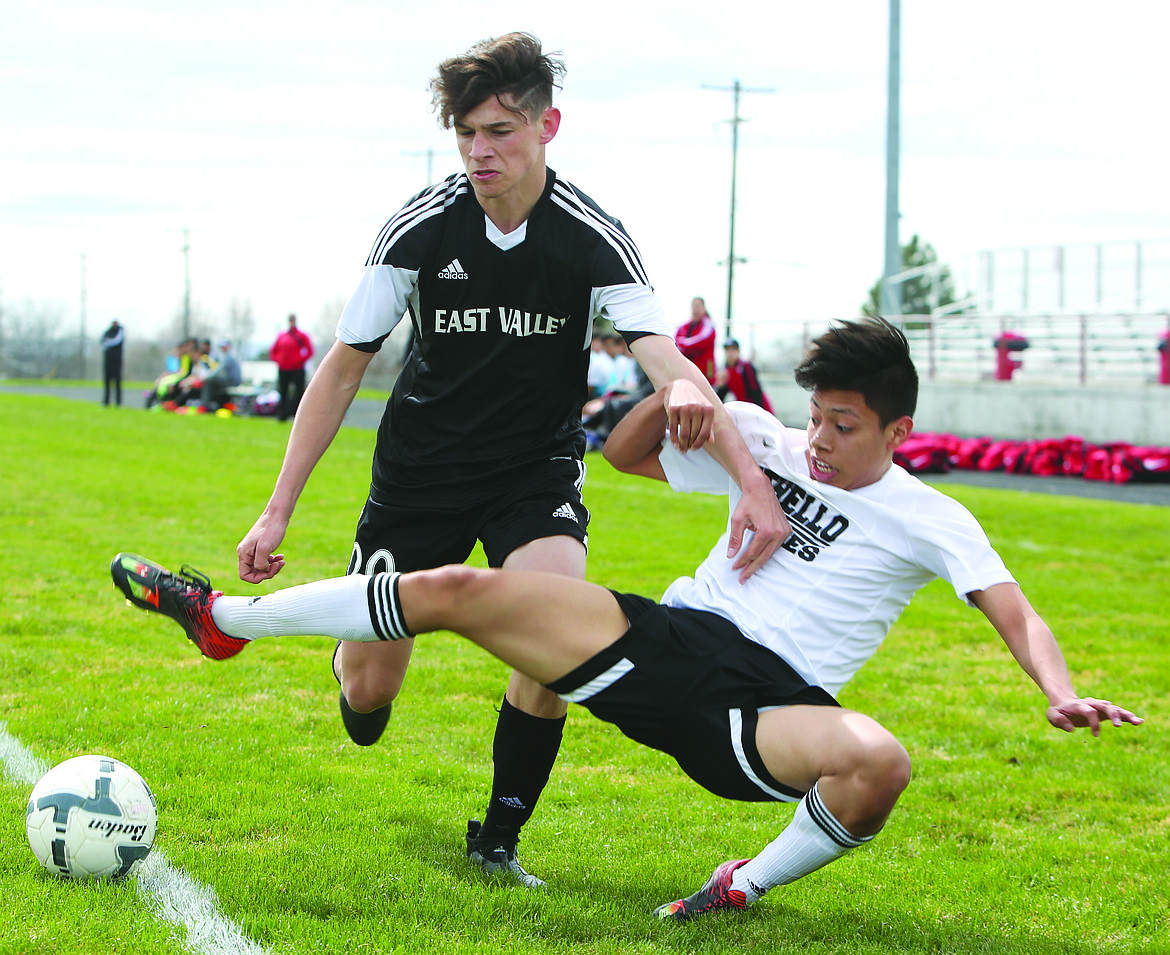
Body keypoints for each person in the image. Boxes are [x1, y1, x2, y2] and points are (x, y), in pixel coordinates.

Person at [110, 320, 1142, 922]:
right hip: (661, 643)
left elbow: (1014, 610)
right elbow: (630, 455)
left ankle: (736, 890)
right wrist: (680, 385)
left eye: (845, 425)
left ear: (896, 429)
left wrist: (1058, 690)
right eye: (816, 416)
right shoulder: (762, 440)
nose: (820, 441)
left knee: (879, 759)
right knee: (463, 593)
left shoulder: (933, 514)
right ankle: (225, 617)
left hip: (765, 709)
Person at [233, 32, 787, 889]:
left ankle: (498, 837)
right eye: (466, 134)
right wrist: (277, 510)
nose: (480, 152)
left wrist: (748, 480)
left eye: (499, 131)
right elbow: (341, 369)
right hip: (419, 478)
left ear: (547, 125)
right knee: (371, 693)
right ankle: (355, 670)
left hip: (533, 474)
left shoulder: (592, 236)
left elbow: (669, 362)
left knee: (556, 634)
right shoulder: (418, 230)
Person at [269, 314, 314, 421]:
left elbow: (309, 350)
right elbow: (273, 351)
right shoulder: (282, 336)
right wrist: (279, 360)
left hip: (297, 368)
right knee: (283, 391)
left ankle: (297, 415)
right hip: (284, 368)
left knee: (298, 391)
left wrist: (299, 360)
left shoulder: (301, 336)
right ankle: (282, 414)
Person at [716, 339, 772, 413]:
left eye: (733, 350)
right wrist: (720, 386)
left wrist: (760, 411)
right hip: (744, 409)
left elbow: (756, 390)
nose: (730, 354)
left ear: (738, 352)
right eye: (728, 350)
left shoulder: (746, 367)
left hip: (757, 408)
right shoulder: (725, 372)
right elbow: (721, 396)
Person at [674, 296, 717, 385]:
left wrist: (683, 343)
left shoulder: (708, 325)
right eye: (694, 306)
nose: (696, 309)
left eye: (698, 306)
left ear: (704, 308)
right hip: (688, 373)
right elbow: (675, 341)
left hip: (705, 373)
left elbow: (702, 340)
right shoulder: (685, 326)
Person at [199, 338, 243, 413]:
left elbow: (219, 370)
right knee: (212, 382)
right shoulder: (224, 356)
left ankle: (204, 405)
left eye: (224, 346)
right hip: (228, 380)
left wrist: (207, 377)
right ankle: (212, 404)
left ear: (228, 346)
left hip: (233, 381)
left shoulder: (229, 357)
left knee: (210, 380)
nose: (222, 348)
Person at [100, 320, 124, 407]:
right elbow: (101, 342)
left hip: (117, 361)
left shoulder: (120, 332)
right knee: (107, 382)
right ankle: (106, 402)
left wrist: (107, 342)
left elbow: (115, 341)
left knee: (117, 382)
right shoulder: (107, 332)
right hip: (107, 361)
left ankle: (118, 403)